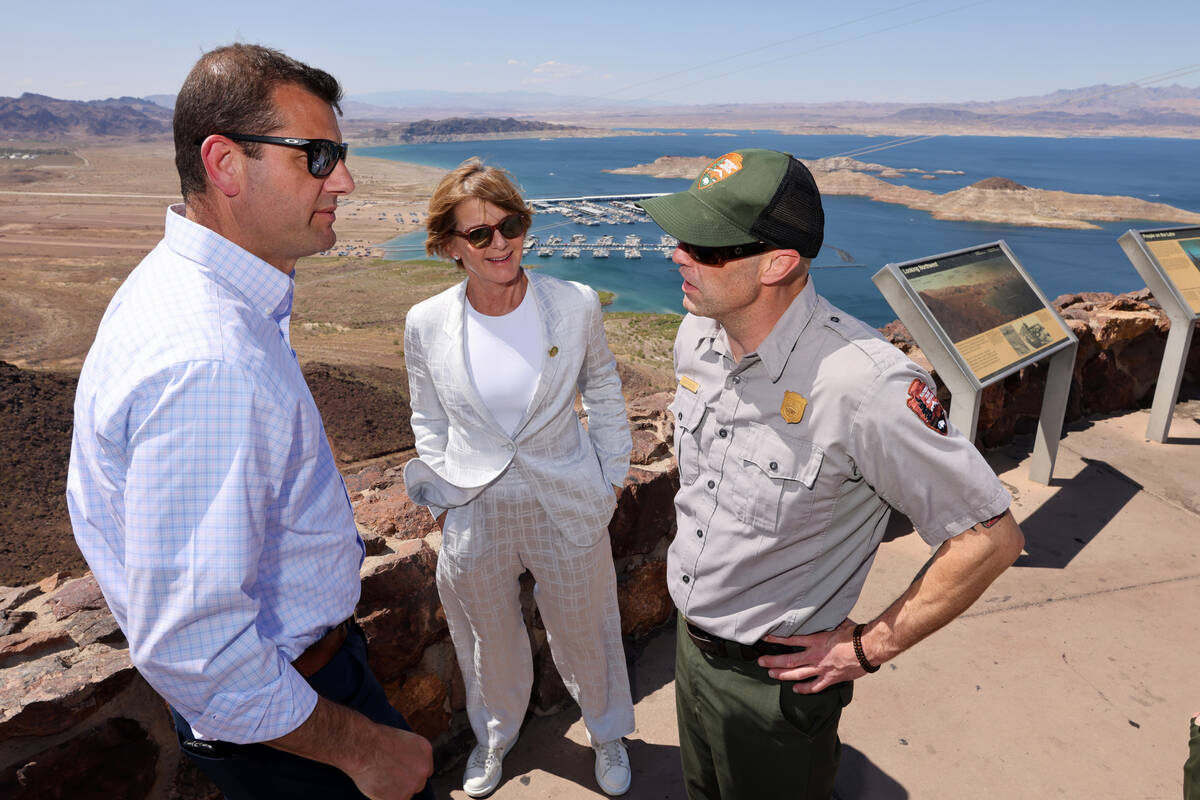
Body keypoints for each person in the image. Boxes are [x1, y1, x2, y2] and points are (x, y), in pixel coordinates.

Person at [66, 44, 432, 800]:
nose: (347, 179)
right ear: (226, 164)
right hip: (295, 723)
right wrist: (364, 750)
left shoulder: (188, 290)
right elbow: (199, 648)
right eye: (318, 155)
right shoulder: (210, 359)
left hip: (288, 699)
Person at [635, 148, 1026, 800]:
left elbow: (991, 537)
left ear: (778, 262)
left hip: (775, 686)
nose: (679, 254)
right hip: (690, 649)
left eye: (704, 246)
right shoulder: (696, 338)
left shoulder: (864, 384)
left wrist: (869, 647)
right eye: (681, 238)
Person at [402, 158, 635, 797]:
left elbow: (605, 388)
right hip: (474, 507)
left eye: (511, 225)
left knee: (587, 627)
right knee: (485, 640)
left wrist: (612, 475)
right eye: (479, 234)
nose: (500, 243)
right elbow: (427, 412)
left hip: (567, 498)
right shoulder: (426, 322)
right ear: (449, 245)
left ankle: (608, 732)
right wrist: (446, 501)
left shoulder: (574, 304)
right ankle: (494, 737)